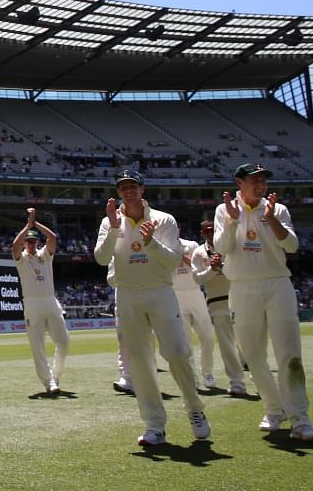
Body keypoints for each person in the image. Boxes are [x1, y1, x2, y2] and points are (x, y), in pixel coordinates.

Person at [94, 169, 209, 447]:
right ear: (119, 192)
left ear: (142, 189)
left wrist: (151, 243)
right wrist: (112, 229)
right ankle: (154, 425)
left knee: (177, 352)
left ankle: (194, 408)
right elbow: (101, 258)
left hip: (160, 292)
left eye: (132, 186)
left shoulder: (163, 219)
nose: (128, 191)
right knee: (140, 362)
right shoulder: (110, 221)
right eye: (123, 187)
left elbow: (172, 261)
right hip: (127, 296)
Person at [214, 163, 313, 442]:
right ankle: (274, 409)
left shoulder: (278, 209)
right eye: (254, 180)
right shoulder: (224, 210)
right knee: (252, 356)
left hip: (277, 284)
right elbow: (222, 247)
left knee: (290, 355)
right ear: (240, 182)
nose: (260, 185)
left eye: (263, 180)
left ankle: (301, 420)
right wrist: (233, 221)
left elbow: (293, 246)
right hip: (241, 287)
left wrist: (272, 219)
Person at [11, 208, 69, 395]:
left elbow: (52, 238)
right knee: (37, 346)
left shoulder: (45, 255)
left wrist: (36, 225)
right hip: (32, 304)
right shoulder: (21, 260)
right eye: (27, 241)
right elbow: (14, 246)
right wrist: (27, 226)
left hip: (50, 301)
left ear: (37, 241)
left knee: (64, 341)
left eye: (33, 240)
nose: (30, 244)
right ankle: (48, 381)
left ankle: (56, 375)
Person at [190, 220, 248, 396]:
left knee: (248, 343)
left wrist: (223, 267)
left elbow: (244, 270)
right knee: (227, 345)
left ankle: (258, 376)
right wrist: (212, 269)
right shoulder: (199, 252)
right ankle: (237, 382)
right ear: (201, 233)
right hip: (217, 302)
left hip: (240, 299)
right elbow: (198, 279)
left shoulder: (232, 245)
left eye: (212, 230)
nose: (209, 233)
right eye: (206, 230)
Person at [172, 233, 217, 390]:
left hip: (195, 293)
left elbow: (196, 267)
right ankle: (193, 378)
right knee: (185, 341)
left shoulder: (190, 245)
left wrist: (180, 256)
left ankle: (208, 372)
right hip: (176, 295)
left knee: (208, 336)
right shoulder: (162, 245)